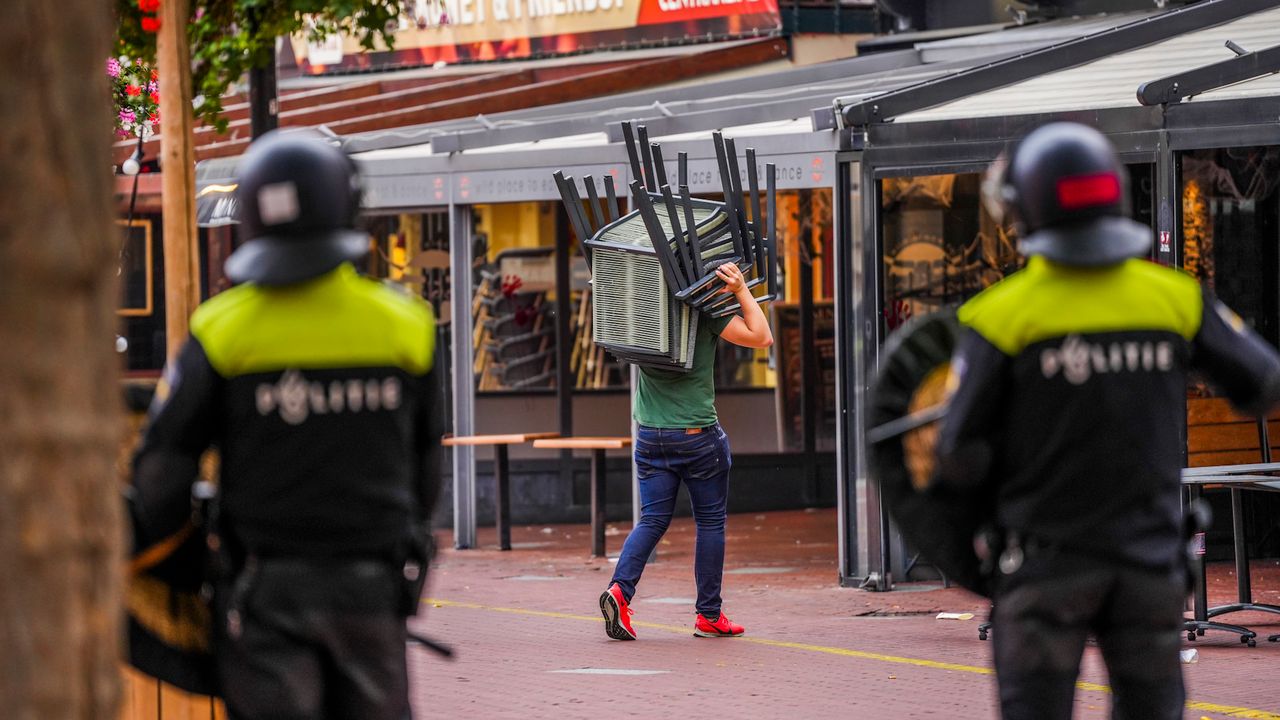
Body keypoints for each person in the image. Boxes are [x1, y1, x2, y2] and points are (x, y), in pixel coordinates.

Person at [934, 122, 1280, 720]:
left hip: (1043, 567)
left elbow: (956, 451)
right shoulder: (1174, 297)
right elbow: (1261, 384)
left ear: (1022, 211)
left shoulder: (997, 316)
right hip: (1149, 564)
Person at [129, 130, 443, 720]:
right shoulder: (407, 327)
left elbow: (161, 478)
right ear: (348, 208)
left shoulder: (220, 330)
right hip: (371, 593)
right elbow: (426, 475)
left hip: (263, 595)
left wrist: (162, 565)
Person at [599, 261, 773, 641]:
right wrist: (741, 290)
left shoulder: (640, 311)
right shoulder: (703, 308)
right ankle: (709, 615)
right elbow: (761, 337)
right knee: (710, 523)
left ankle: (620, 590)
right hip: (696, 436)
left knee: (652, 520)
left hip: (649, 436)